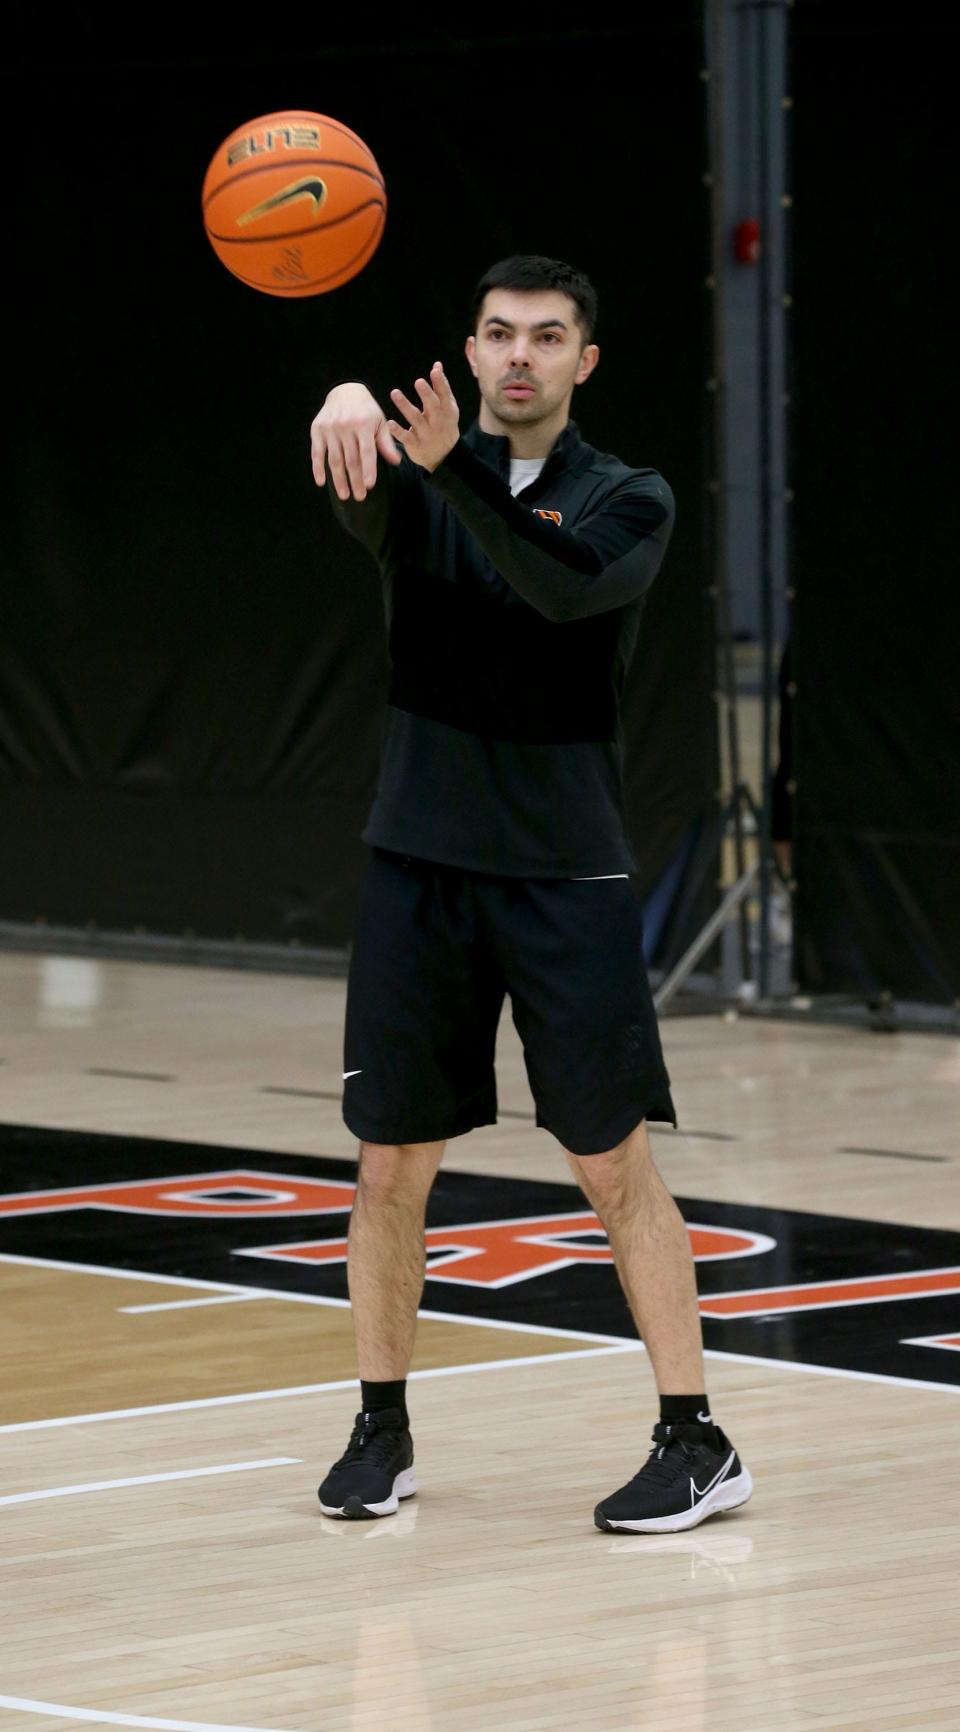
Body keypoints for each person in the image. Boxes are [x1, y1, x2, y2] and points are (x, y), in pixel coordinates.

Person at [309, 255, 752, 1533]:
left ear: (583, 361)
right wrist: (343, 394)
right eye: (498, 333)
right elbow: (357, 486)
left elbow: (560, 586)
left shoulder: (630, 498)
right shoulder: (417, 476)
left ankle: (696, 1437)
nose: (518, 357)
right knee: (391, 1160)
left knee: (610, 1160)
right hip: (418, 862)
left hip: (565, 873)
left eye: (546, 338)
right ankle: (379, 1427)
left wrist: (446, 467)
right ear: (471, 342)